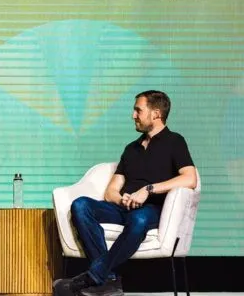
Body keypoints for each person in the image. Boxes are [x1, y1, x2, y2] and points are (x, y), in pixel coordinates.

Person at [54, 90, 197, 296]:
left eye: (138, 110)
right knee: (80, 205)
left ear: (156, 114)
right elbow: (111, 190)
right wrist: (123, 199)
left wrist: (148, 190)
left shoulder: (175, 141)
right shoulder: (131, 148)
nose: (133, 115)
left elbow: (190, 178)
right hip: (124, 208)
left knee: (138, 219)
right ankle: (107, 278)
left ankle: (92, 277)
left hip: (154, 209)